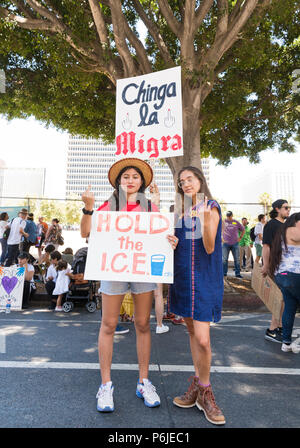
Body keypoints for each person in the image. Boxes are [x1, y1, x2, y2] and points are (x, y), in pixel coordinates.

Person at [80, 157, 174, 413]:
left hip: (142, 268)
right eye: (126, 176)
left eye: (135, 176)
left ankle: (144, 381)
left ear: (142, 181)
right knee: (109, 324)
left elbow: (161, 236)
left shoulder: (150, 207)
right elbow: (86, 233)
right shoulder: (109, 205)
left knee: (143, 323)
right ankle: (106, 385)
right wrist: (88, 209)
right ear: (118, 181)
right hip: (114, 267)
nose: (131, 180)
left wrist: (170, 241)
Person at [168, 166, 225, 426]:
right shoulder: (183, 212)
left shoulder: (210, 206)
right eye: (182, 181)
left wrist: (204, 220)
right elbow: (184, 245)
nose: (186, 184)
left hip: (203, 280)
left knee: (203, 340)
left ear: (200, 181)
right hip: (183, 278)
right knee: (192, 333)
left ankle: (205, 391)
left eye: (190, 179)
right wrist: (174, 241)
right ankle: (196, 386)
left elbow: (210, 246)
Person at [269, 213, 300, 353]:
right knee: (289, 308)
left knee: (290, 308)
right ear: (296, 221)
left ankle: (286, 343)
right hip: (294, 275)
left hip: (283, 275)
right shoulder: (292, 230)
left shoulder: (283, 233)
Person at [262, 199, 290, 343]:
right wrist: (266, 266)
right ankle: (272, 330)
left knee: (284, 298)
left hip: (283, 266)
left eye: (289, 207)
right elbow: (266, 246)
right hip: (274, 266)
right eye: (285, 208)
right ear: (277, 209)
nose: (288, 210)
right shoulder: (272, 225)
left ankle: (278, 327)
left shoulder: (284, 225)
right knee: (278, 298)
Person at [149, 182, 169, 335]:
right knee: (158, 294)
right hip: (156, 259)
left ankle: (138, 319)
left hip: (141, 259)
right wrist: (156, 197)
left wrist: (155, 197)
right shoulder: (163, 226)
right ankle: (159, 324)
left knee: (140, 292)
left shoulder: (142, 223)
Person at [222, 211, 244, 278]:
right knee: (224, 259)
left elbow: (243, 229)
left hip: (235, 243)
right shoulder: (223, 222)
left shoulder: (236, 222)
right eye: (228, 216)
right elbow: (218, 230)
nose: (229, 217)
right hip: (225, 244)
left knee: (237, 259)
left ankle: (237, 274)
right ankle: (224, 273)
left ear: (232, 215)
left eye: (230, 216)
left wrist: (240, 237)